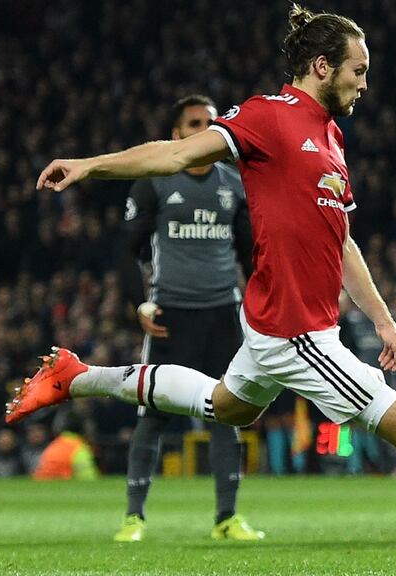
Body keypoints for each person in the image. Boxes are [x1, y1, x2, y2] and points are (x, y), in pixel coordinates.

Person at [9, 5, 396, 574]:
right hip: (294, 331)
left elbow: (342, 241)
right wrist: (90, 165)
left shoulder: (331, 136)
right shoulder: (270, 116)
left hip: (283, 322)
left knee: (224, 405)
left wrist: (382, 319)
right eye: (358, 69)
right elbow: (177, 153)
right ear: (322, 66)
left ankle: (78, 377)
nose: (365, 83)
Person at [114, 94, 263, 543]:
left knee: (226, 413)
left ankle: (226, 518)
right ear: (176, 134)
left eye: (211, 123)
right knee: (154, 413)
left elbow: (250, 256)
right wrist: (137, 304)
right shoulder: (155, 182)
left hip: (222, 314)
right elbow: (127, 248)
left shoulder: (235, 185)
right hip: (170, 315)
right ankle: (133, 518)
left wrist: (258, 309)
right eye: (194, 123)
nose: (204, 129)